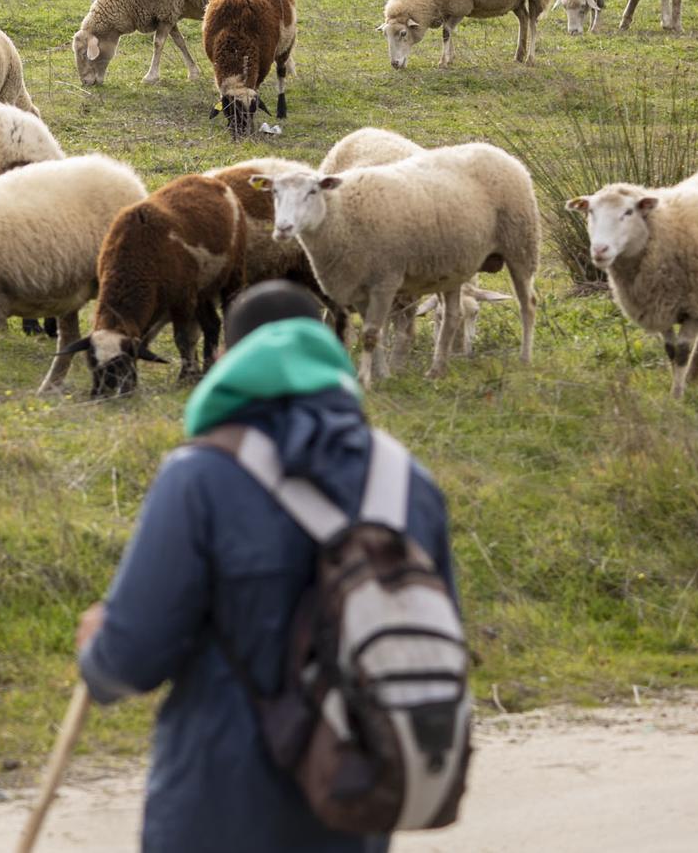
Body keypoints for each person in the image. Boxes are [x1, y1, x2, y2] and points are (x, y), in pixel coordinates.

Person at [75, 281, 458, 853]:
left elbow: (132, 658)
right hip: (349, 802)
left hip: (217, 807)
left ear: (228, 360)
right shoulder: (408, 483)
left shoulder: (198, 477)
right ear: (331, 354)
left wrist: (98, 651)